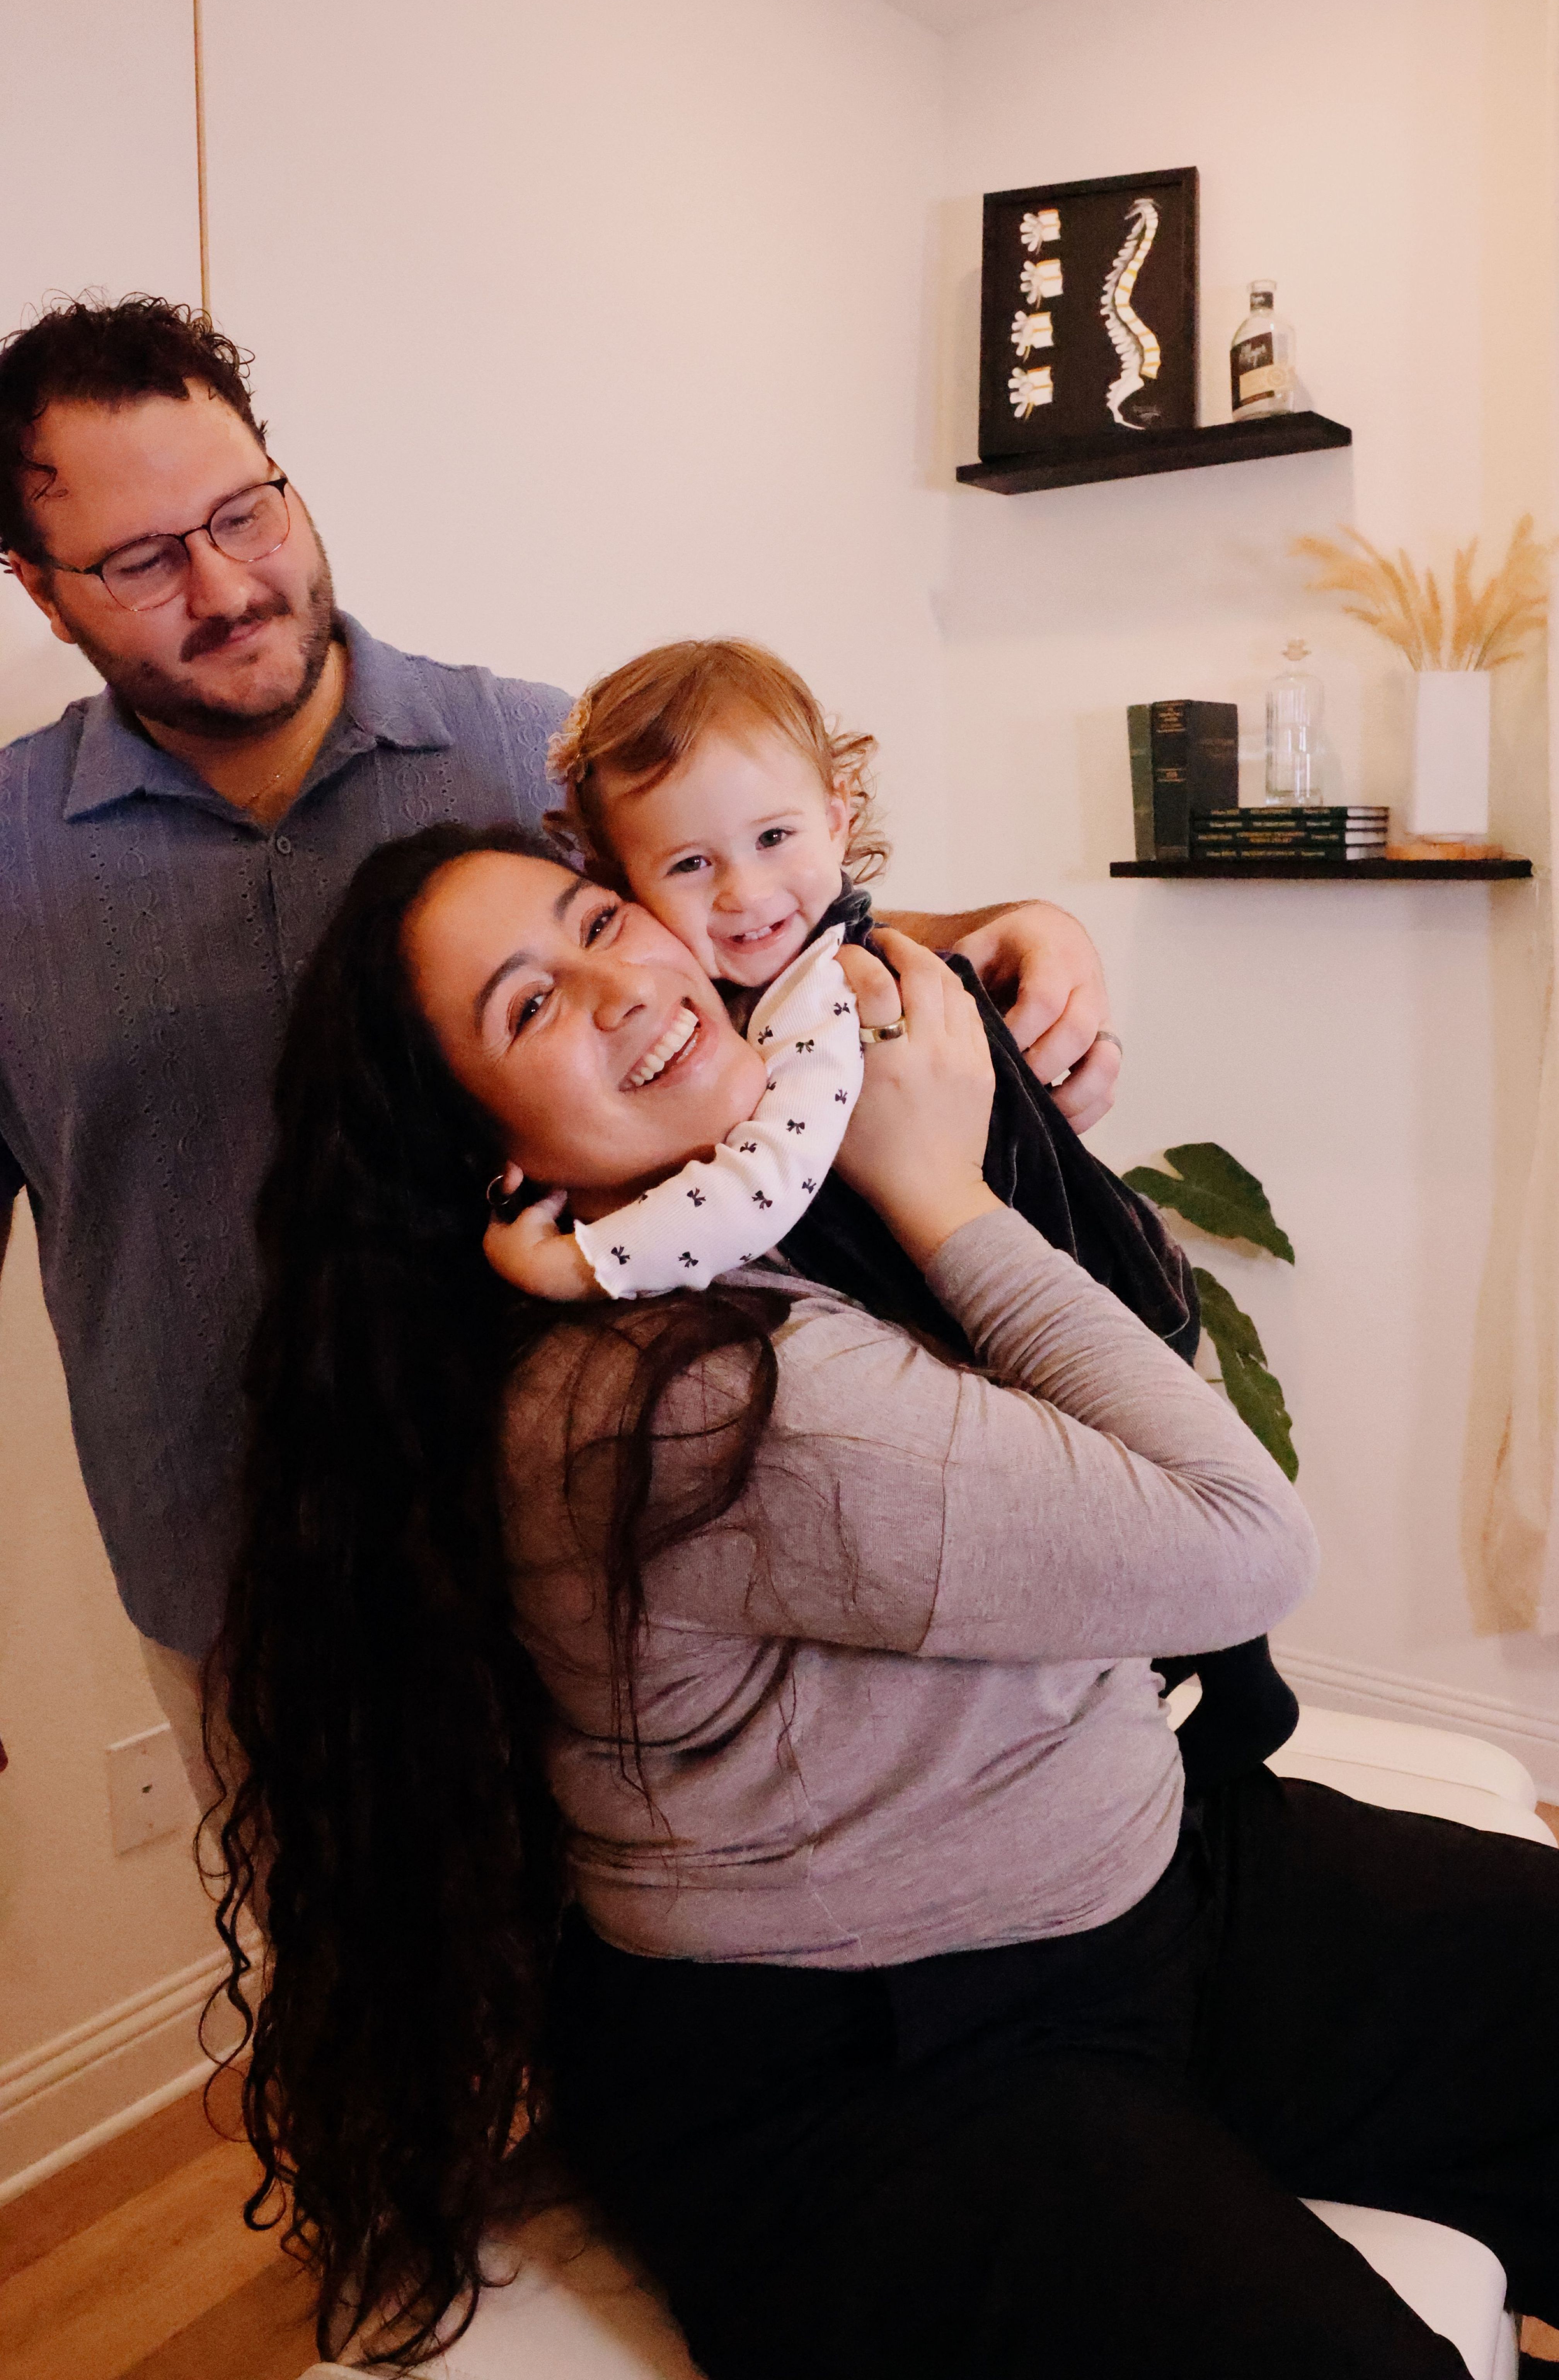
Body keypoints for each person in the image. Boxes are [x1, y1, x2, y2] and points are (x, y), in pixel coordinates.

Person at [215, 822, 1559, 2380]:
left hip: (1133, 1886)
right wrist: (940, 1188)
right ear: (497, 1158)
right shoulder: (679, 1402)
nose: (619, 981)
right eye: (527, 1006)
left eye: (603, 918)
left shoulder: (757, 1199)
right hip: (877, 2056)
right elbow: (1237, 1537)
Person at [0, 295, 1118, 1788]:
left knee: (637, 1995)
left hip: (599, 1550)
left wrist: (1011, 927)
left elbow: (751, 939)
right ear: (38, 589)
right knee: (359, 1999)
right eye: (141, 560)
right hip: (238, 1579)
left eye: (245, 513)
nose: (225, 583)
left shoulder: (537, 755)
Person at [491, 633, 1297, 1790]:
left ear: (836, 813)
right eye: (689, 868)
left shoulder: (830, 997)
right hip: (1005, 1301)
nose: (748, 892)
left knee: (1157, 1567)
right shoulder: (751, 991)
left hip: (1080, 1288)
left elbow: (760, 1186)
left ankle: (1236, 1700)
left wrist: (585, 1263)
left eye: (773, 840)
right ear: (623, 878)